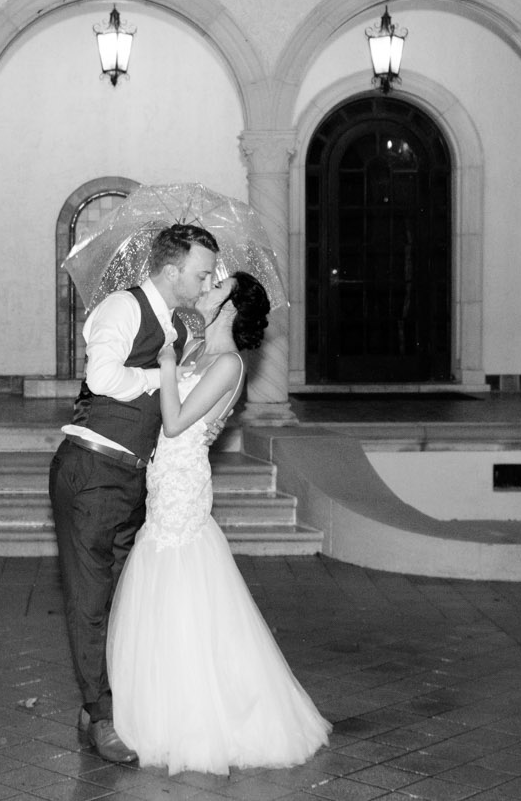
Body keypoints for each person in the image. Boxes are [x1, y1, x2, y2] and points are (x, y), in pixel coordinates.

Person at [106, 272, 330, 774]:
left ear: (230, 308)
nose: (204, 292)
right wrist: (167, 359)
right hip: (166, 479)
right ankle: (158, 706)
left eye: (215, 288)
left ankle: (195, 720)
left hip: (183, 485)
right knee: (160, 583)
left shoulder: (228, 363)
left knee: (181, 580)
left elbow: (177, 421)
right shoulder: (199, 353)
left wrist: (166, 367)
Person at [50, 223, 220, 765]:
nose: (205, 281)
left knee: (119, 602)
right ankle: (103, 719)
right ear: (171, 271)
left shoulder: (173, 323)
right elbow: (102, 379)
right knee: (91, 602)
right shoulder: (122, 309)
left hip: (131, 478)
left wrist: (206, 319)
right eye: (200, 273)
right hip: (93, 471)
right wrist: (155, 377)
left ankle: (94, 706)